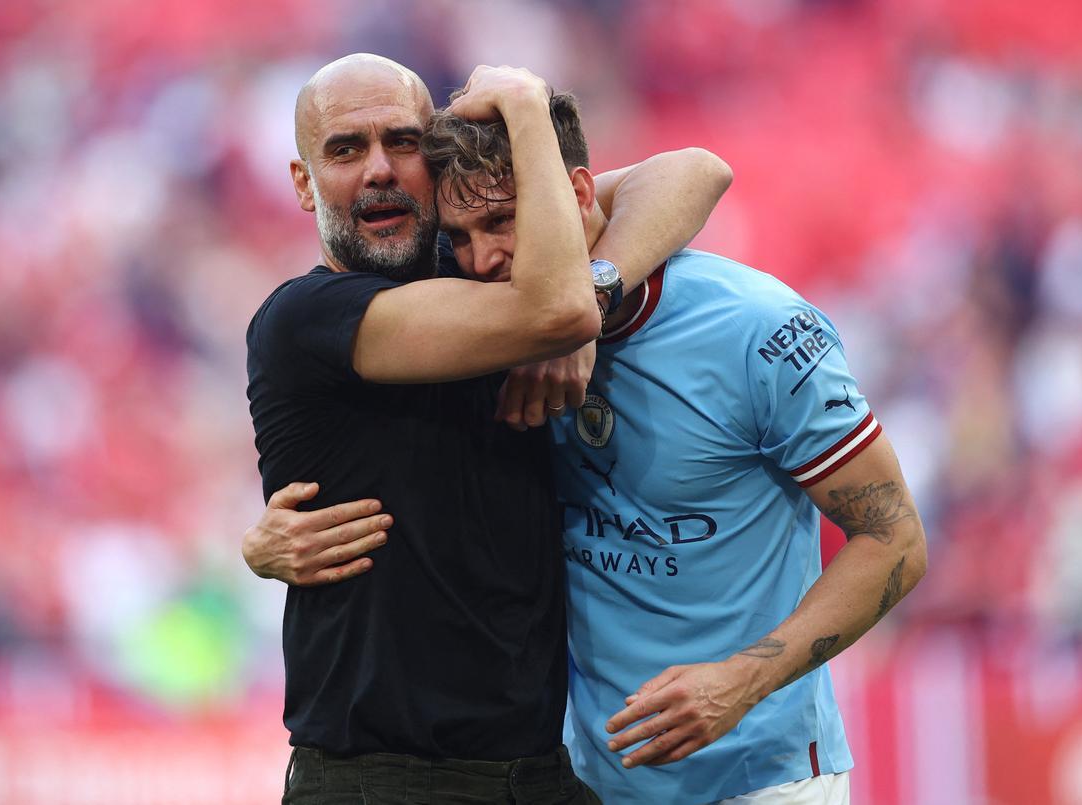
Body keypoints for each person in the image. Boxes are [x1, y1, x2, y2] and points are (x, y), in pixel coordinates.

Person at [251, 87, 927, 804]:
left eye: (505, 222)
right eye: (462, 236)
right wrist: (258, 543)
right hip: (584, 779)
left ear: (569, 195)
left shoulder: (759, 331)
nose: (482, 259)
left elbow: (896, 540)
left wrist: (744, 678)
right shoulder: (467, 316)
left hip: (760, 776)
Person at [246, 54, 732, 805]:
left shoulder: (477, 259)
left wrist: (593, 284)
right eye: (345, 149)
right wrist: (526, 108)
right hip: (382, 779)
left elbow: (694, 172)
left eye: (402, 142)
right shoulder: (305, 319)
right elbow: (552, 311)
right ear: (304, 182)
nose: (379, 168)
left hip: (532, 773)